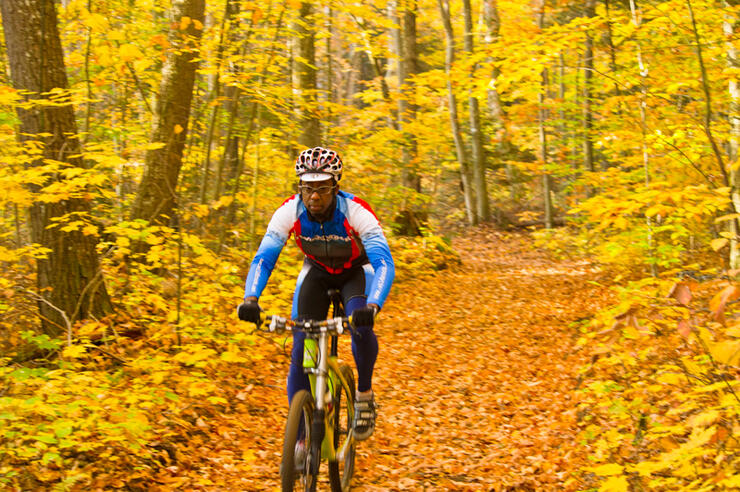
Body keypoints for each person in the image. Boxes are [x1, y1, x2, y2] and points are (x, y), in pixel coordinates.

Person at [237, 146, 395, 441]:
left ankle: (364, 394)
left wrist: (373, 306)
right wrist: (250, 298)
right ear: (300, 187)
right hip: (317, 273)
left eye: (322, 188)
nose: (314, 196)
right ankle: (298, 443)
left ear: (335, 186)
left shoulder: (356, 211)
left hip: (356, 272)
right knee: (300, 348)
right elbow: (264, 258)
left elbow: (383, 261)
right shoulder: (289, 211)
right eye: (307, 188)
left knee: (360, 325)